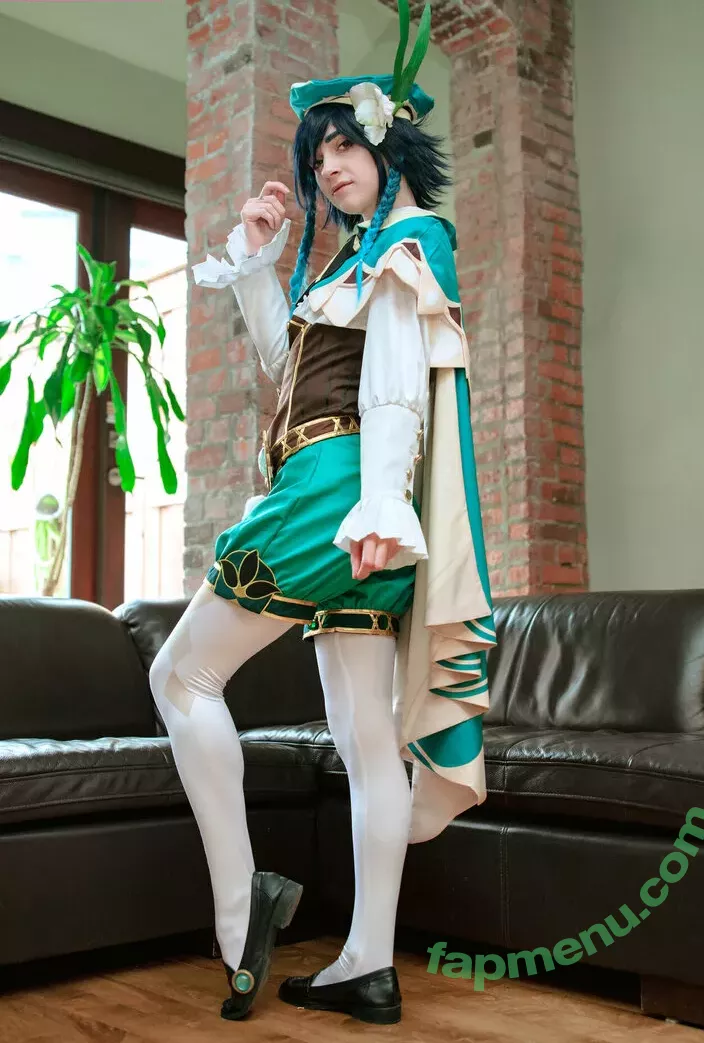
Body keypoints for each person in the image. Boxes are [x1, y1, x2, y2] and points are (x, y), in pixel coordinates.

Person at [150, 0, 496, 1025]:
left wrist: (380, 501)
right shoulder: (351, 261)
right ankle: (365, 964)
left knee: (181, 674)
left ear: (388, 146)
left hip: (337, 493)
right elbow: (286, 368)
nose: (329, 166)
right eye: (317, 156)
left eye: (346, 145)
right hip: (354, 499)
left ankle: (238, 913)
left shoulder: (406, 242)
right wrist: (260, 257)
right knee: (363, 738)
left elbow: (392, 388)